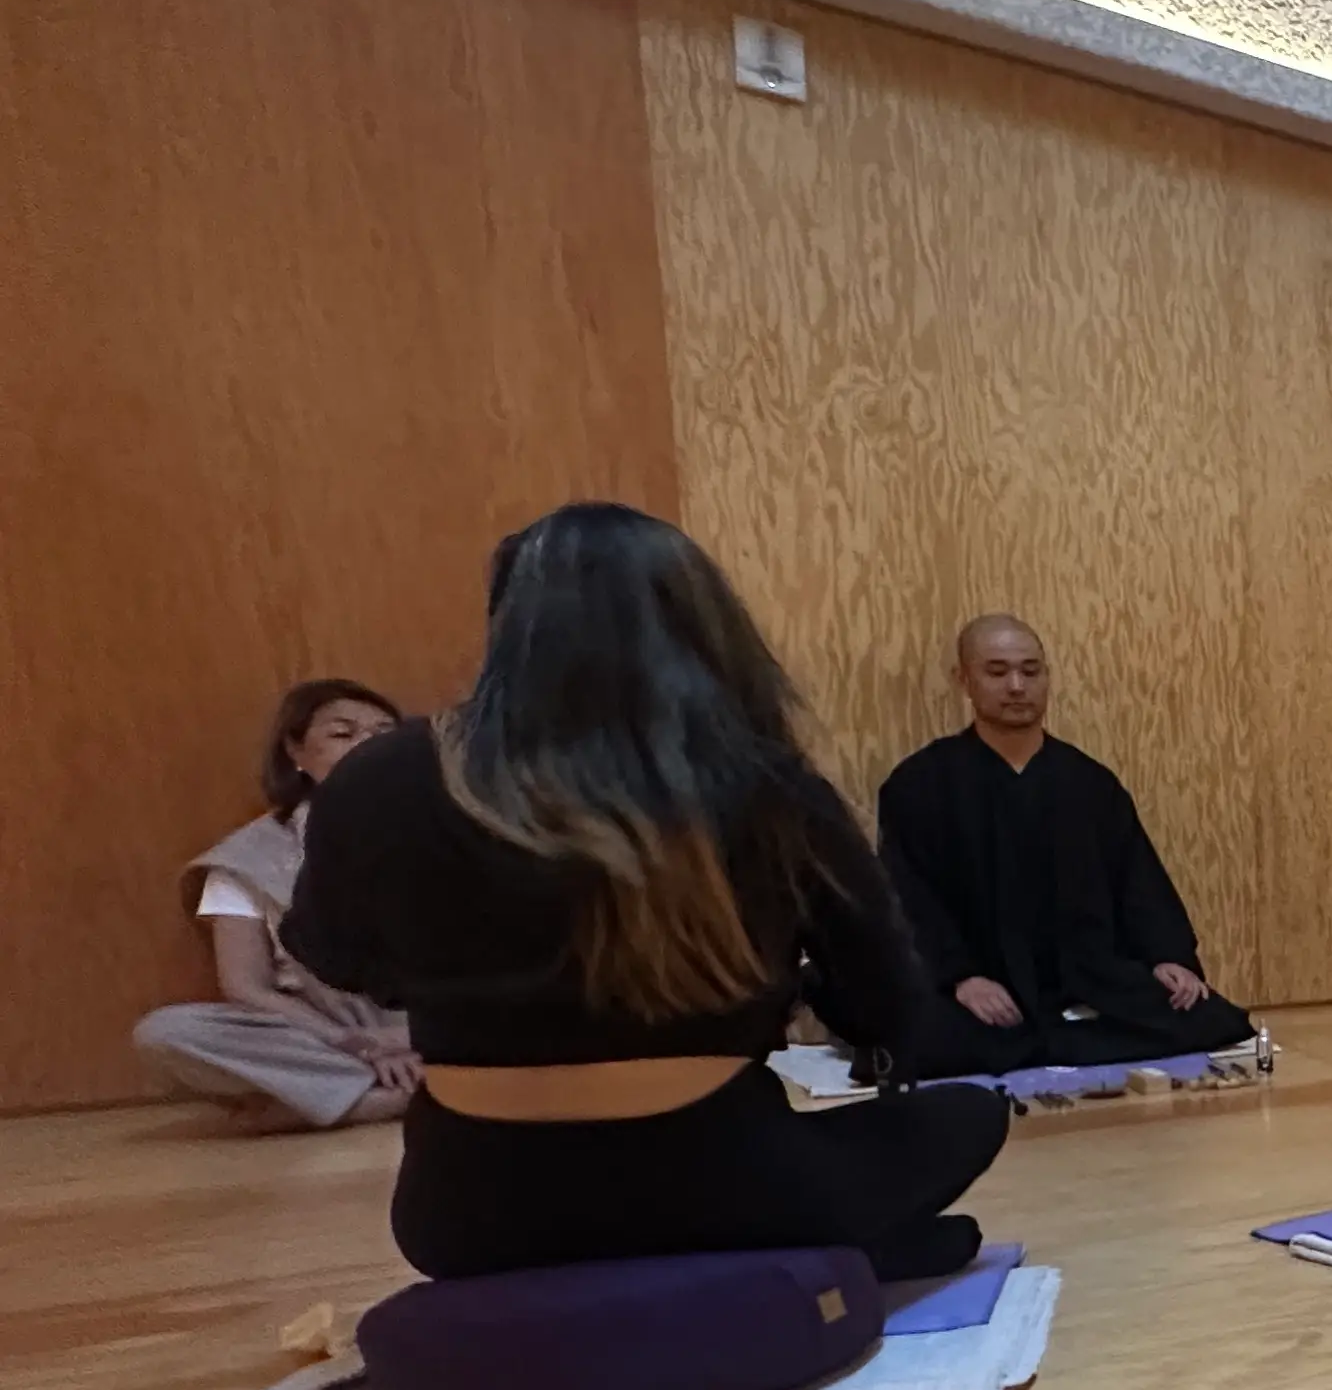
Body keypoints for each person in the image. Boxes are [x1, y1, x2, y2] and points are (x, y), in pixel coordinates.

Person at [286, 504, 1007, 1282]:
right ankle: (803, 1263)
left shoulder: (378, 775)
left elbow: (337, 956)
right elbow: (883, 1006)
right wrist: (780, 986)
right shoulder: (763, 782)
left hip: (465, 1217)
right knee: (969, 1114)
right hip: (730, 1191)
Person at [875, 614, 1261, 1077]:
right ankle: (1060, 1039)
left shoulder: (1089, 783)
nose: (1016, 686)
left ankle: (1044, 1040)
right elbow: (908, 898)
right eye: (997, 672)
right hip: (984, 985)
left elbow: (1136, 881)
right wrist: (960, 977)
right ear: (964, 680)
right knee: (908, 1040)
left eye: (1031, 671)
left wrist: (1167, 957)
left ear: (1047, 676)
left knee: (1210, 1016)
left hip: (1087, 978)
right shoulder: (920, 784)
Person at [135, 679, 418, 1128]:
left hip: (434, 1026)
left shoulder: (445, 832)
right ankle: (391, 1097)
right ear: (296, 753)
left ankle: (328, 1103)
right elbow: (246, 987)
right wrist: (355, 1042)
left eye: (384, 734)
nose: (367, 745)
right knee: (166, 1032)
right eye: (343, 733)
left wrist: (412, 1036)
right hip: (333, 1037)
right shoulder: (247, 857)